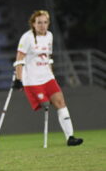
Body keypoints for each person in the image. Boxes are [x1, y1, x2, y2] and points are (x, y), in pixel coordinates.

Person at [13, 10, 83, 146]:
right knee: (45, 105)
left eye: (45, 22)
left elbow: (48, 57)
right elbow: (19, 59)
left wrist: (51, 75)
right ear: (33, 24)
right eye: (39, 23)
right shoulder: (27, 38)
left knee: (61, 103)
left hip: (47, 78)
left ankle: (70, 137)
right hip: (32, 80)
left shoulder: (49, 36)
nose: (42, 25)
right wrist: (18, 79)